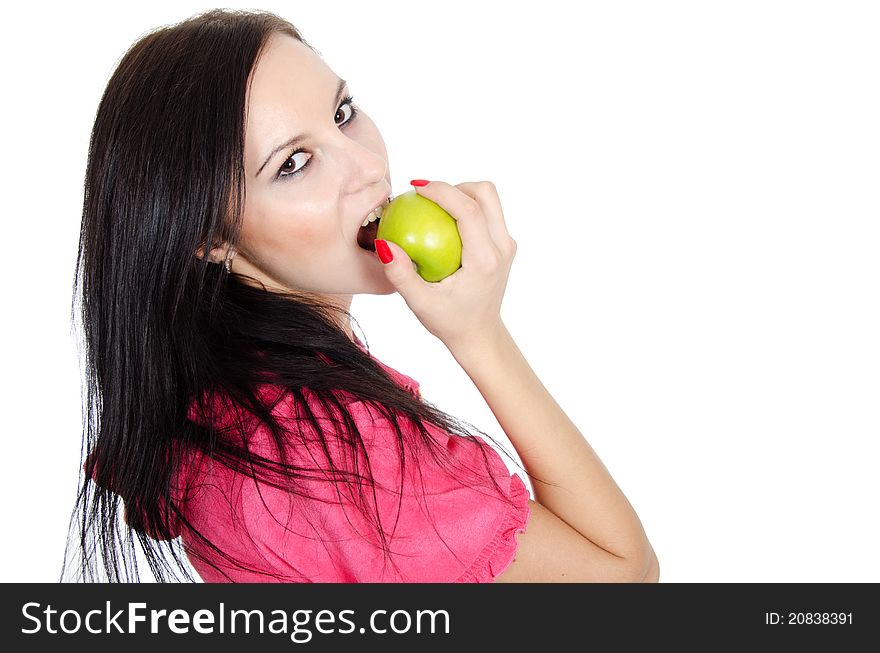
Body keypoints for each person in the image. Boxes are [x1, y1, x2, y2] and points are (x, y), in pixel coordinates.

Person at [64, 8, 659, 583]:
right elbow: (621, 575)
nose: (369, 166)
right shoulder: (336, 453)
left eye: (342, 113)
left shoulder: (215, 404)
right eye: (294, 162)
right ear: (210, 236)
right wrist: (480, 336)